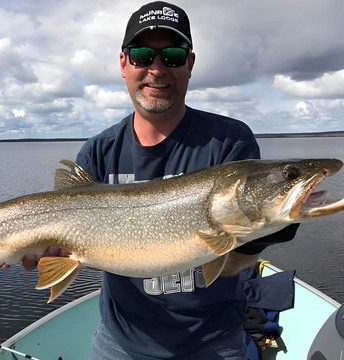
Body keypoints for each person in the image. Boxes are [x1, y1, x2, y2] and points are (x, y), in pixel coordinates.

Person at [23, 2, 298, 359]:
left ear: (190, 64)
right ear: (124, 64)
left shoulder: (230, 141)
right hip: (120, 343)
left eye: (171, 55)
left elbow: (230, 266)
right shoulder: (98, 152)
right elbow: (65, 253)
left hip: (213, 342)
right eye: (141, 55)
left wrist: (266, 232)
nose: (156, 69)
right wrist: (43, 254)